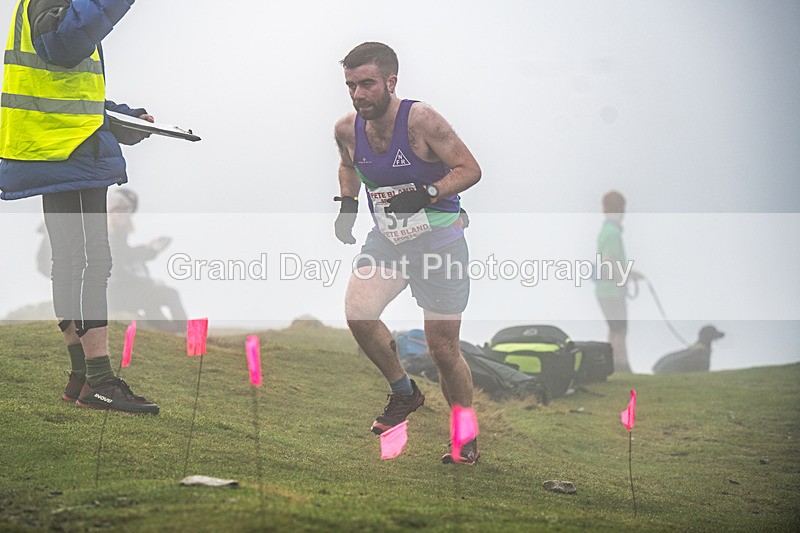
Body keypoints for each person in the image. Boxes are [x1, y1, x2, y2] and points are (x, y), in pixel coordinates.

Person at [0, 0, 159, 414]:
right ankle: (100, 380)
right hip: (69, 147)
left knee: (71, 261)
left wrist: (122, 118)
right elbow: (64, 43)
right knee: (92, 261)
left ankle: (82, 376)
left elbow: (65, 80)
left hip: (55, 144)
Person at [333, 42, 482, 464]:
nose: (358, 94)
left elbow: (470, 169)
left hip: (440, 245)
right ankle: (404, 392)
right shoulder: (347, 128)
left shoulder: (422, 120)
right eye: (350, 85)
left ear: (390, 82)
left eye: (367, 84)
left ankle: (464, 434)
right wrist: (348, 205)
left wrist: (427, 192)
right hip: (389, 241)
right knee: (358, 312)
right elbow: (347, 164)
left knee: (443, 351)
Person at [106, 188, 187, 332]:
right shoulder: (111, 238)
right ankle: (191, 337)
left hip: (126, 293)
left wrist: (151, 250)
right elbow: (118, 275)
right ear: (110, 214)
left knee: (153, 308)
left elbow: (128, 254)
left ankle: (177, 335)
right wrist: (151, 283)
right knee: (170, 294)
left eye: (126, 211)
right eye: (118, 211)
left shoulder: (118, 236)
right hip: (118, 296)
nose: (123, 215)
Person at [595, 191, 641, 373]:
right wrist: (622, 280)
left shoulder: (605, 231)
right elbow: (608, 261)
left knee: (614, 329)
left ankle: (609, 366)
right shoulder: (613, 233)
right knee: (620, 330)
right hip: (612, 291)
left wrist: (631, 273)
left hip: (604, 289)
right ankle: (622, 367)